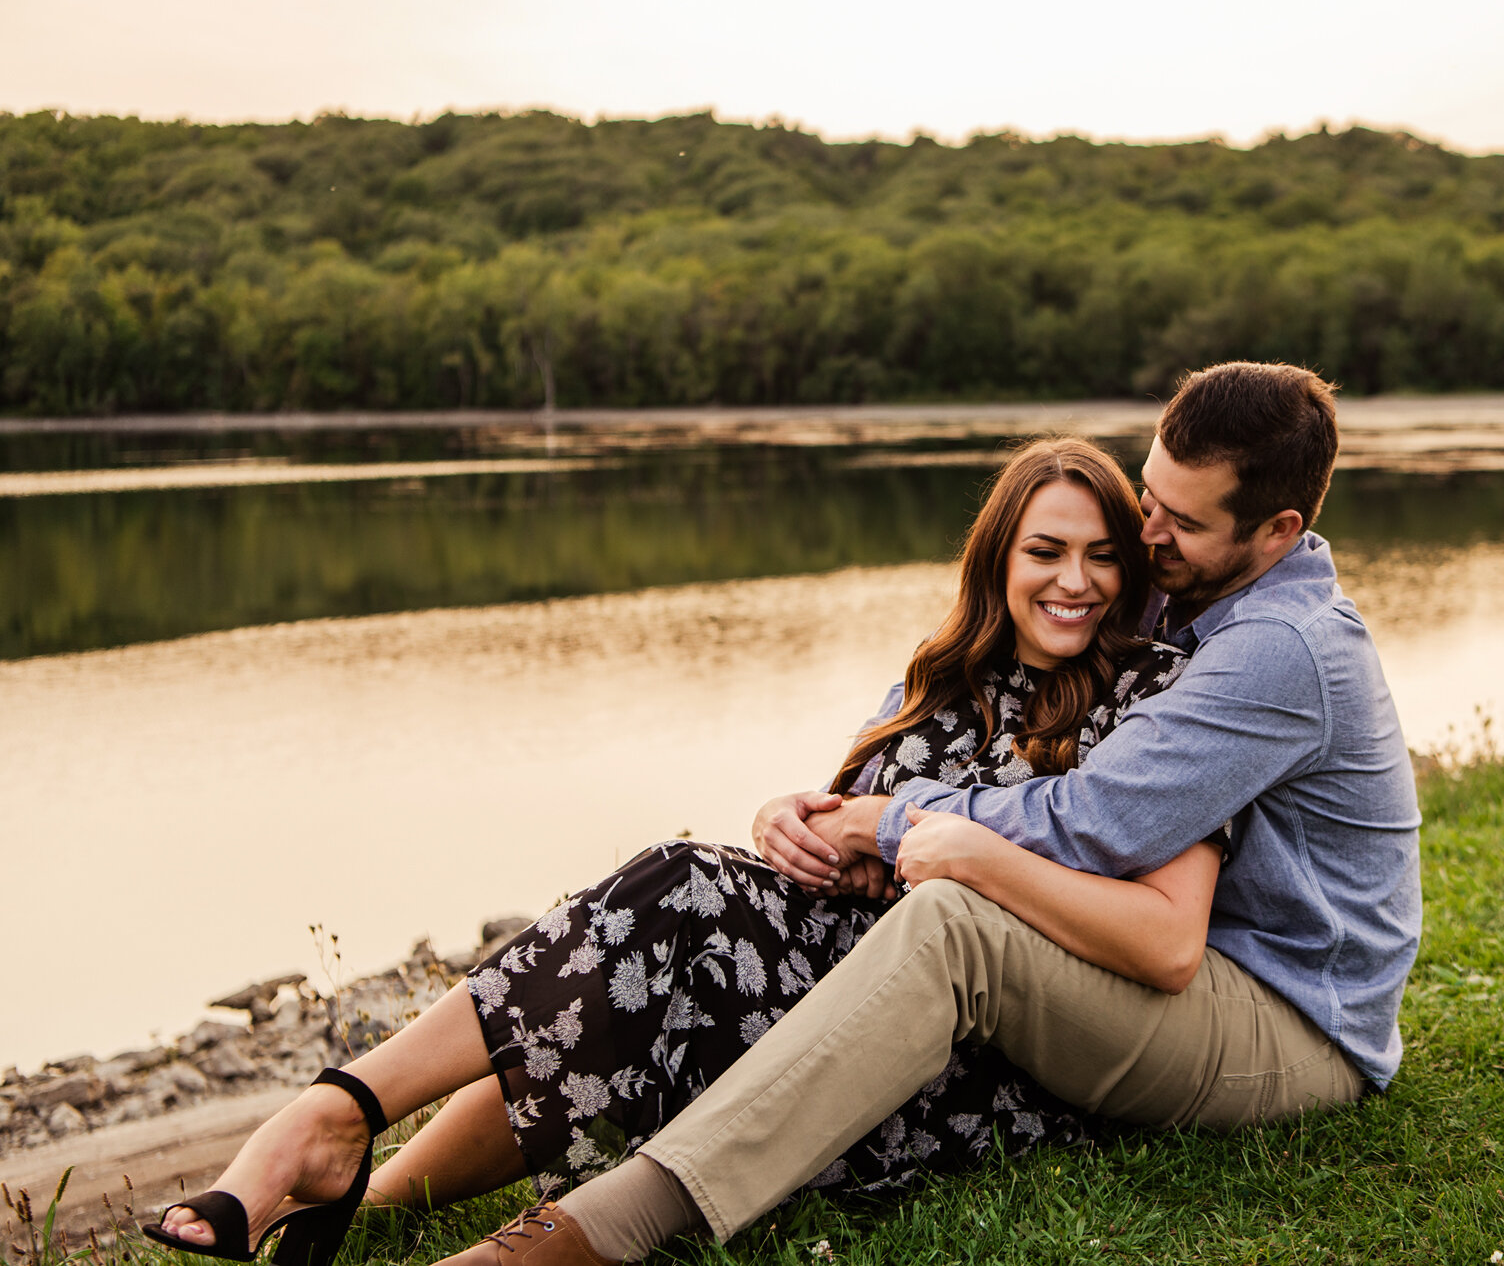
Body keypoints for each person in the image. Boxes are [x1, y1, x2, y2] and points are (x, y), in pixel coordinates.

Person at [436, 360, 1424, 1266]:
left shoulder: (1276, 648)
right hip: (1177, 967)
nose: (1146, 534)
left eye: (1180, 522)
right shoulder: (1189, 589)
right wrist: (824, 814)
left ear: (1277, 533)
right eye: (1147, 496)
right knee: (721, 912)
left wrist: (899, 825)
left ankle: (599, 1229)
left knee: (954, 924)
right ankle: (372, 1178)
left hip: (1292, 1024)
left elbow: (1091, 822)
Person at [142, 437, 1217, 1266]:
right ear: (998, 557)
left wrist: (907, 850)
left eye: (1099, 555)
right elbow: (835, 835)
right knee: (668, 919)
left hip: (964, 1054)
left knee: (667, 932)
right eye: (1045, 551)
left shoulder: (1155, 697)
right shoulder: (937, 680)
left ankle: (333, 1128)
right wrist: (784, 821)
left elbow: (1125, 915)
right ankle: (360, 1181)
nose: (1074, 580)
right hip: (838, 979)